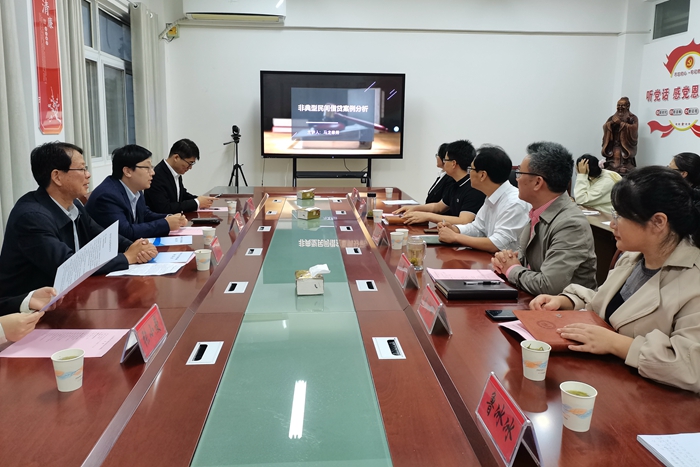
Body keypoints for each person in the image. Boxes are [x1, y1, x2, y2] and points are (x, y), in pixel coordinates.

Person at [530, 166, 700, 393]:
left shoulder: (693, 279)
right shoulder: (633, 256)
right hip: (605, 378)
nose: (612, 223)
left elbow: (691, 367)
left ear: (658, 222)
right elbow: (612, 304)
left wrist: (616, 343)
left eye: (620, 216)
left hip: (651, 398)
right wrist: (567, 300)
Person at [0, 142, 157, 305]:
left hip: (69, 297)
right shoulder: (31, 217)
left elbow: (103, 236)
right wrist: (127, 257)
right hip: (29, 309)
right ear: (57, 177)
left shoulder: (74, 204)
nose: (88, 175)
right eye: (82, 169)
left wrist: (135, 247)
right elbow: (68, 266)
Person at [492, 141, 597, 295]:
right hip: (534, 299)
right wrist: (505, 260)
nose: (517, 179)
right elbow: (525, 261)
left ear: (537, 182)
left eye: (520, 173)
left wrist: (511, 269)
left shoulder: (570, 224)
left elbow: (548, 285)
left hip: (563, 307)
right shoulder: (538, 211)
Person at [436, 146, 530, 252]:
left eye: (471, 169)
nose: (468, 174)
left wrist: (455, 237)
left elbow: (497, 244)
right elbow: (478, 228)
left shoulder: (514, 203)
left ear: (482, 175)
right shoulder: (491, 196)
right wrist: (456, 229)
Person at [86, 144, 187, 240]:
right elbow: (125, 232)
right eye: (147, 168)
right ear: (127, 171)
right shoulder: (107, 196)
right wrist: (166, 224)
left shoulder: (135, 189)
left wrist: (170, 218)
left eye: (151, 167)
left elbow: (145, 214)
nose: (153, 172)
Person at [394, 140, 485, 225]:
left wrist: (427, 216)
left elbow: (464, 221)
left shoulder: (473, 188)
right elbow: (438, 207)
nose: (444, 163)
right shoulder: (454, 183)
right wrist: (414, 208)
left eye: (445, 160)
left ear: (453, 163)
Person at [145, 139, 217, 214]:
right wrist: (197, 202)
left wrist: (200, 200)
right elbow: (164, 208)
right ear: (176, 158)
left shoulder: (175, 172)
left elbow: (182, 196)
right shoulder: (157, 175)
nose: (190, 167)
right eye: (189, 163)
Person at [601, 97, 638, 175]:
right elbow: (605, 126)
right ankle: (611, 165)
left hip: (624, 146)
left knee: (622, 156)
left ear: (628, 106)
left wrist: (621, 124)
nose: (620, 107)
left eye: (622, 105)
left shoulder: (633, 118)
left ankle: (624, 165)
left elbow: (634, 128)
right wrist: (611, 124)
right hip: (614, 144)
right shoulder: (612, 117)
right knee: (613, 159)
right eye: (618, 105)